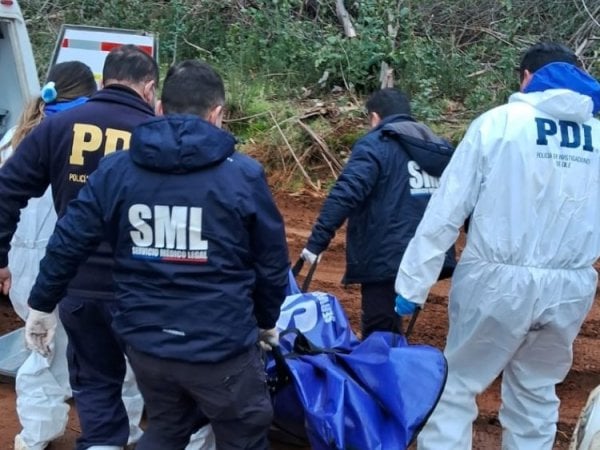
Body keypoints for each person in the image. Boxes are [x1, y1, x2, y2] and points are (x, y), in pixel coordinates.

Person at [23, 59, 290, 450]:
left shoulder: (117, 170)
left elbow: (70, 239)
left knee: (167, 426)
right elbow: (271, 263)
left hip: (147, 346)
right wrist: (266, 320)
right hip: (220, 349)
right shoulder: (242, 175)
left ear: (160, 107)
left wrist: (42, 304)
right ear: (217, 114)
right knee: (243, 434)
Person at [394, 42, 600, 450]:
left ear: (527, 77)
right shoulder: (596, 136)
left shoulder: (498, 124)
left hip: (496, 282)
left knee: (455, 386)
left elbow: (447, 210)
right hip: (569, 288)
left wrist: (412, 284)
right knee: (535, 394)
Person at [0, 45, 158, 450]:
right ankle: (133, 434)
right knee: (142, 376)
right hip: (143, 286)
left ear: (105, 82)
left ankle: (100, 440)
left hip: (74, 280)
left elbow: (6, 192)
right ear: (149, 89)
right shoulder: (156, 133)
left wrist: (1, 257)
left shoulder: (58, 128)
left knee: (93, 378)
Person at [300, 88, 455, 338]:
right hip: (429, 254)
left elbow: (346, 192)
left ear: (374, 117)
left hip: (386, 254)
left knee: (379, 333)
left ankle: (383, 361)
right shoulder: (438, 147)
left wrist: (317, 242)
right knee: (393, 328)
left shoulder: (376, 144)